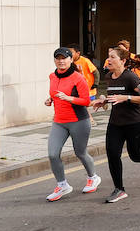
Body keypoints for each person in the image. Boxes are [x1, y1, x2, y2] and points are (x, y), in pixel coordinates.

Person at [96, 46, 140, 203]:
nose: (109, 60)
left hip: (136, 122)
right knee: (112, 154)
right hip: (115, 122)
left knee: (135, 155)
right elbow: (113, 96)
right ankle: (119, 189)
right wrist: (104, 101)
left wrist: (126, 98)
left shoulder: (131, 77)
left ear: (122, 61)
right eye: (108, 56)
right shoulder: (109, 76)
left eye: (113, 57)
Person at [43, 47, 102, 201]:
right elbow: (55, 94)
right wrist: (50, 100)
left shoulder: (78, 78)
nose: (61, 61)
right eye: (58, 58)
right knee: (52, 154)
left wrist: (69, 98)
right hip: (59, 121)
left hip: (79, 121)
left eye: (64, 58)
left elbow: (86, 101)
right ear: (55, 60)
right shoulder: (52, 76)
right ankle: (62, 185)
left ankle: (93, 177)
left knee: (80, 152)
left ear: (71, 60)